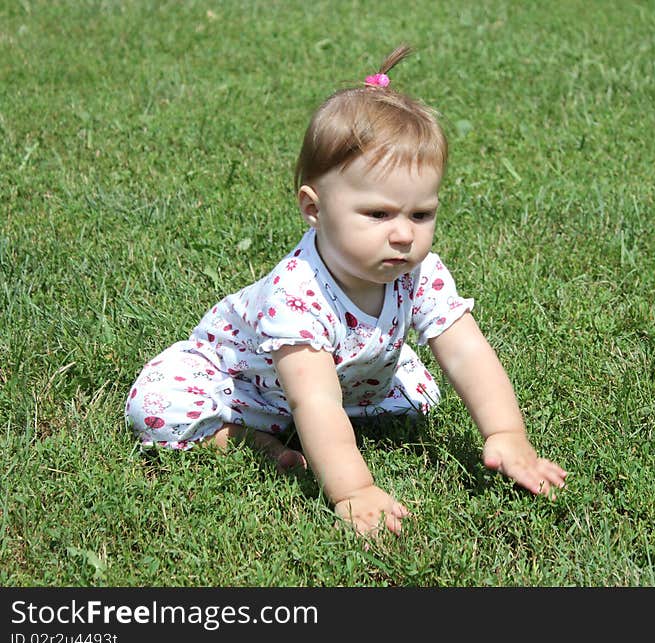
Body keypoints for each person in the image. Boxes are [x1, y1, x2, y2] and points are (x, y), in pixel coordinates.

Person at [125, 44, 567, 536]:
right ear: (313, 209)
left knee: (419, 398)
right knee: (158, 410)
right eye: (378, 214)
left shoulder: (418, 271)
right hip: (246, 382)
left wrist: (506, 432)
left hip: (353, 382)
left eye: (421, 214)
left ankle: (337, 419)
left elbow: (466, 351)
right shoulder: (296, 295)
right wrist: (354, 490)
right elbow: (313, 399)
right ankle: (246, 437)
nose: (404, 234)